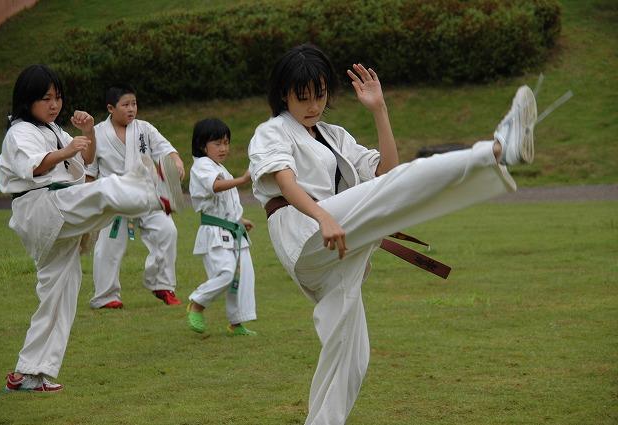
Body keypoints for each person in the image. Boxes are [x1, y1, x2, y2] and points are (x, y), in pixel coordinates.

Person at [248, 44, 536, 424]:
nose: (313, 105)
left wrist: (379, 110)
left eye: (320, 94)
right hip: (307, 232)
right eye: (303, 97)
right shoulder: (271, 132)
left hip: (338, 248)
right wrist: (322, 217)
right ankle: (497, 150)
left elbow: (386, 172)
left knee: (352, 357)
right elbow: (286, 183)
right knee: (397, 188)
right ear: (283, 94)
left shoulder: (333, 135)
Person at [0, 64, 185, 392]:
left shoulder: (54, 129)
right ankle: (153, 193)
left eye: (58, 98)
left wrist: (88, 134)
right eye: (46, 98)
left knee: (59, 295)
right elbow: (35, 166)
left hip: (56, 207)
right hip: (42, 204)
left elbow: (86, 161)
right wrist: (67, 149)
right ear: (27, 100)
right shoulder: (19, 132)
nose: (54, 105)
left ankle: (30, 372)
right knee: (104, 191)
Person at [86, 84, 185, 309]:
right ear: (111, 108)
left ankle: (162, 284)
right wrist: (88, 200)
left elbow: (166, 150)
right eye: (125, 105)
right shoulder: (97, 134)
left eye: (134, 104)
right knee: (108, 246)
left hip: (146, 194)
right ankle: (106, 296)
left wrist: (176, 162)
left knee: (167, 231)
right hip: (114, 199)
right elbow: (89, 172)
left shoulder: (145, 129)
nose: (131, 109)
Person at [186, 118, 257, 336]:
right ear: (202, 145)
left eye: (226, 143)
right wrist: (243, 179)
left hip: (232, 230)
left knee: (242, 277)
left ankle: (236, 323)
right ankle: (197, 304)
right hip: (214, 233)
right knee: (225, 273)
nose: (223, 148)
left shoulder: (220, 167)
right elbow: (215, 187)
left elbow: (225, 204)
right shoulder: (201, 166)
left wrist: (239, 220)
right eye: (217, 144)